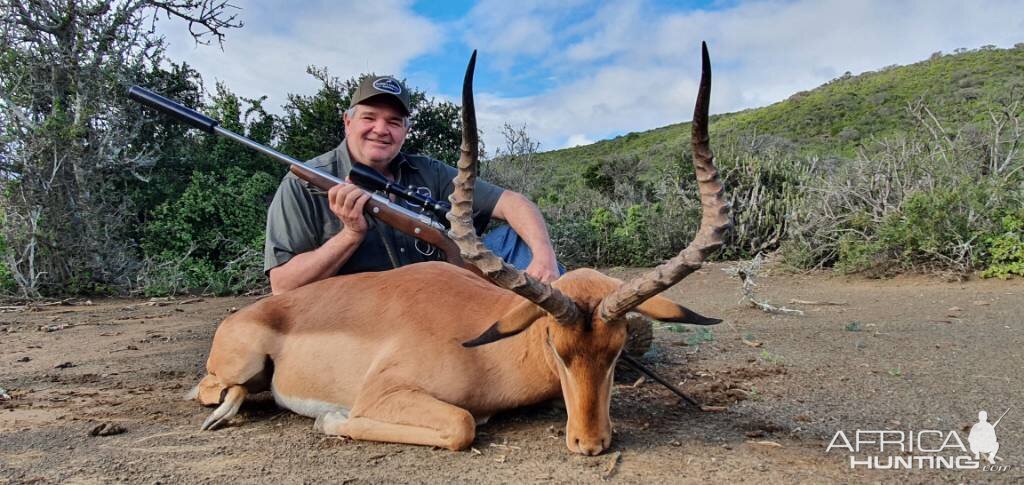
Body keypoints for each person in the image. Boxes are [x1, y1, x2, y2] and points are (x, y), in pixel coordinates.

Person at [264, 75, 561, 294]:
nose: (381, 130)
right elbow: (283, 286)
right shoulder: (302, 183)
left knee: (515, 239)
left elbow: (514, 202)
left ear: (406, 130)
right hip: (371, 310)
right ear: (348, 122)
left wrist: (544, 258)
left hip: (448, 291)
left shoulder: (427, 169)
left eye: (394, 121)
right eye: (369, 117)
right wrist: (350, 235)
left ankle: (576, 339)